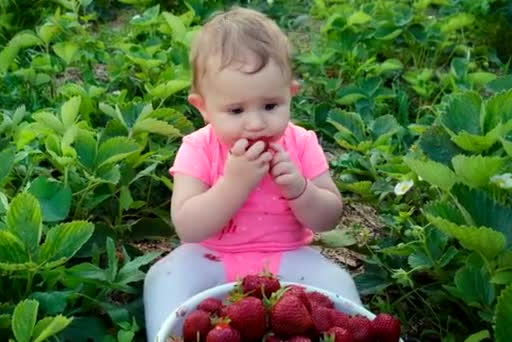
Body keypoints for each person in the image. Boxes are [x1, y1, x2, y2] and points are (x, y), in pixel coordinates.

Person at [143, 7, 361, 341]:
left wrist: (301, 190)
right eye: (236, 110)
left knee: (339, 286)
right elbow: (187, 227)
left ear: (291, 94)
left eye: (270, 106)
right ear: (203, 108)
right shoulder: (198, 148)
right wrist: (234, 184)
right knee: (164, 278)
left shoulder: (301, 143)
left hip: (289, 256)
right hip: (209, 256)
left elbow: (328, 218)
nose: (256, 123)